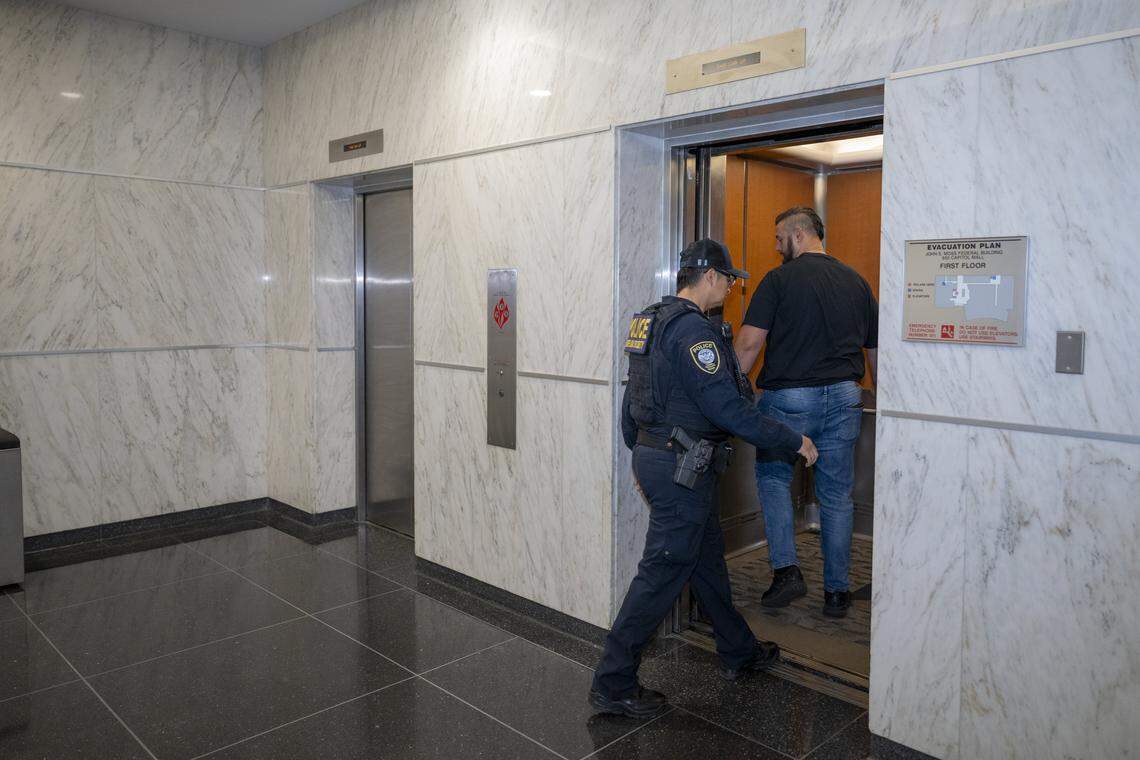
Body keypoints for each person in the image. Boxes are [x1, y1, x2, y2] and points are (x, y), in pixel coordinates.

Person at [589, 238, 818, 718]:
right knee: (661, 573)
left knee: (706, 561)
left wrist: (644, 454)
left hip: (664, 460)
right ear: (711, 277)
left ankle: (738, 650)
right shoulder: (695, 332)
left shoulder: (649, 320)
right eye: (729, 279)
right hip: (679, 468)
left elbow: (633, 402)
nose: (730, 288)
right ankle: (613, 681)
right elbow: (727, 408)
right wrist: (790, 439)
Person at [734, 206, 878, 619]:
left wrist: (722, 394)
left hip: (790, 399)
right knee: (836, 496)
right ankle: (836, 592)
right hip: (846, 397)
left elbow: (747, 346)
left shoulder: (778, 280)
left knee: (775, 478)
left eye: (779, 239)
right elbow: (874, 353)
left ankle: (786, 572)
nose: (776, 247)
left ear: (798, 236)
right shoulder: (857, 282)